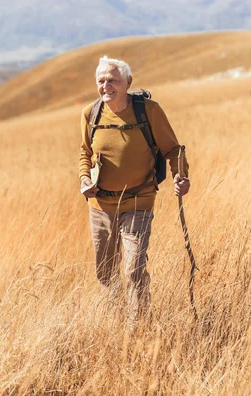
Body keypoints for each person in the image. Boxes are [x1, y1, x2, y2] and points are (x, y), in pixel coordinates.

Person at [79, 55, 190, 324]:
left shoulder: (148, 111)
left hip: (139, 200)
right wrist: (84, 179)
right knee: (105, 272)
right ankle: (114, 321)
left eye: (113, 80)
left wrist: (181, 176)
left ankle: (138, 327)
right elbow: (85, 152)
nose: (106, 86)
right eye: (101, 81)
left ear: (128, 82)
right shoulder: (90, 114)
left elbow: (173, 150)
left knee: (133, 268)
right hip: (100, 205)